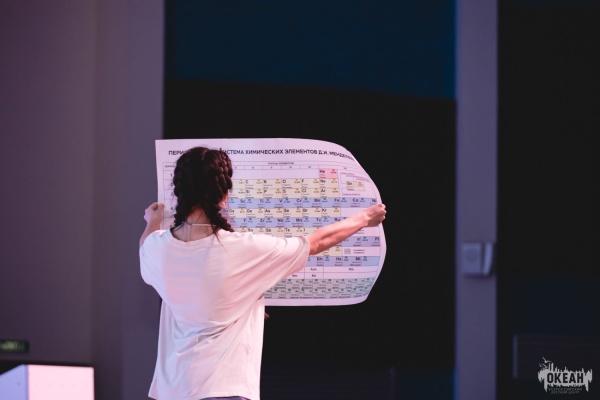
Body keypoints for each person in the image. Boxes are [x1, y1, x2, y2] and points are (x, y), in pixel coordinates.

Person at [139, 146, 386, 400]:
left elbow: (144, 249)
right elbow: (316, 243)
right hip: (224, 389)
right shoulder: (242, 248)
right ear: (223, 195)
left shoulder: (157, 248)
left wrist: (152, 222)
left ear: (179, 191)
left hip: (174, 391)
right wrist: (366, 217)